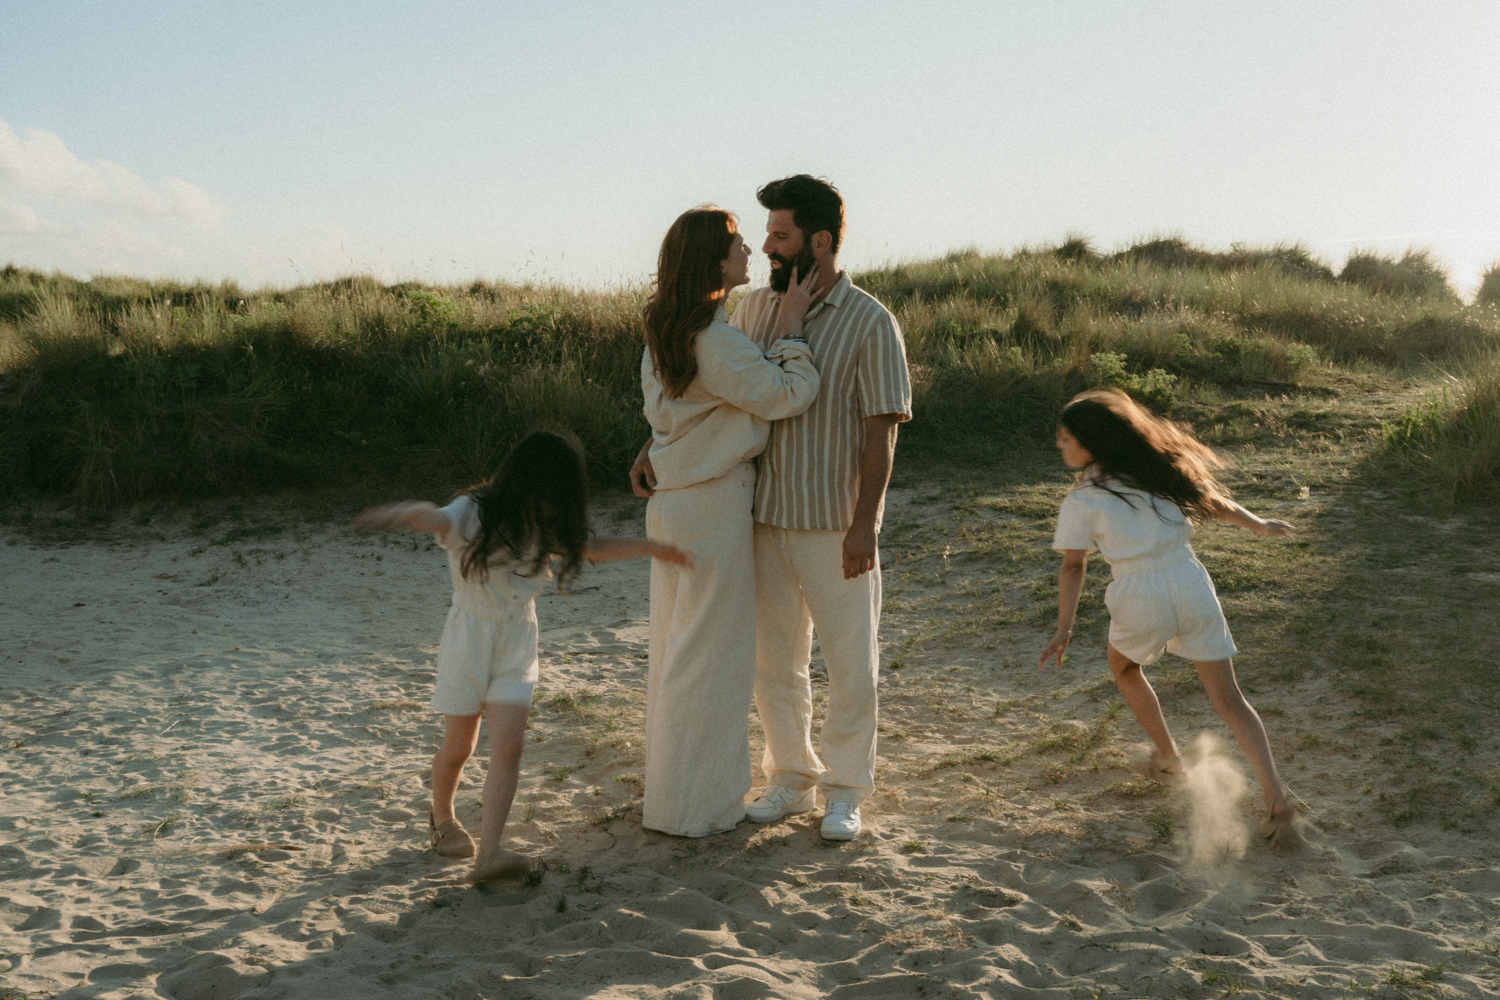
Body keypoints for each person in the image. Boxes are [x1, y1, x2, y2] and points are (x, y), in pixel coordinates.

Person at [354, 430, 691, 881]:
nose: (553, 506)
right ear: (526, 482)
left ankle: (489, 852)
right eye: (548, 495)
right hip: (468, 638)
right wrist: (396, 514)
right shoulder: (473, 511)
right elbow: (433, 518)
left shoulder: (544, 525)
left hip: (517, 639)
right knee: (460, 747)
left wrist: (652, 548)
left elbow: (592, 548)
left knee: (509, 746)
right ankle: (443, 818)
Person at [726, 174, 912, 841]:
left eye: (781, 235)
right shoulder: (752, 311)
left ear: (821, 241)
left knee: (851, 664)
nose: (767, 247)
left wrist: (865, 525)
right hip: (762, 516)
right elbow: (725, 397)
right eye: (768, 235)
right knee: (774, 662)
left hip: (835, 524)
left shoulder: (870, 320)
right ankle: (790, 778)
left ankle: (846, 790)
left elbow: (881, 429)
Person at [628, 205, 821, 838]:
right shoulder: (715, 340)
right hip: (712, 509)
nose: (749, 251)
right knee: (711, 659)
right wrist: (792, 330)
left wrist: (652, 448)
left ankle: (675, 799)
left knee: (676, 652)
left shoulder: (667, 334)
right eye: (737, 243)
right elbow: (788, 395)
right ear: (712, 261)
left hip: (673, 507)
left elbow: (675, 417)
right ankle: (698, 807)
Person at [1038, 388, 1300, 847]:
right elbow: (1215, 503)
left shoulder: (1082, 499)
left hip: (1139, 591)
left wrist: (1064, 628)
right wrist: (1259, 524)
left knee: (1123, 667)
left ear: (1092, 443)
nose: (1060, 445)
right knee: (1230, 699)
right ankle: (1276, 797)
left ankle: (1168, 757)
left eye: (1066, 438)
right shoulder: (1156, 470)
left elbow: (1073, 566)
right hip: (1191, 581)